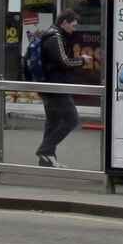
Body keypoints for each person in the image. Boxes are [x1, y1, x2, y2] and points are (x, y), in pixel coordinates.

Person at [35, 10, 85, 167]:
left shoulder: (52, 34)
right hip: (55, 87)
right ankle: (45, 150)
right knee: (72, 119)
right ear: (65, 23)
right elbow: (64, 61)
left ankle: (47, 158)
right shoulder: (55, 37)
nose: (74, 30)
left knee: (53, 121)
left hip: (50, 85)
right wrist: (81, 60)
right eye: (73, 26)